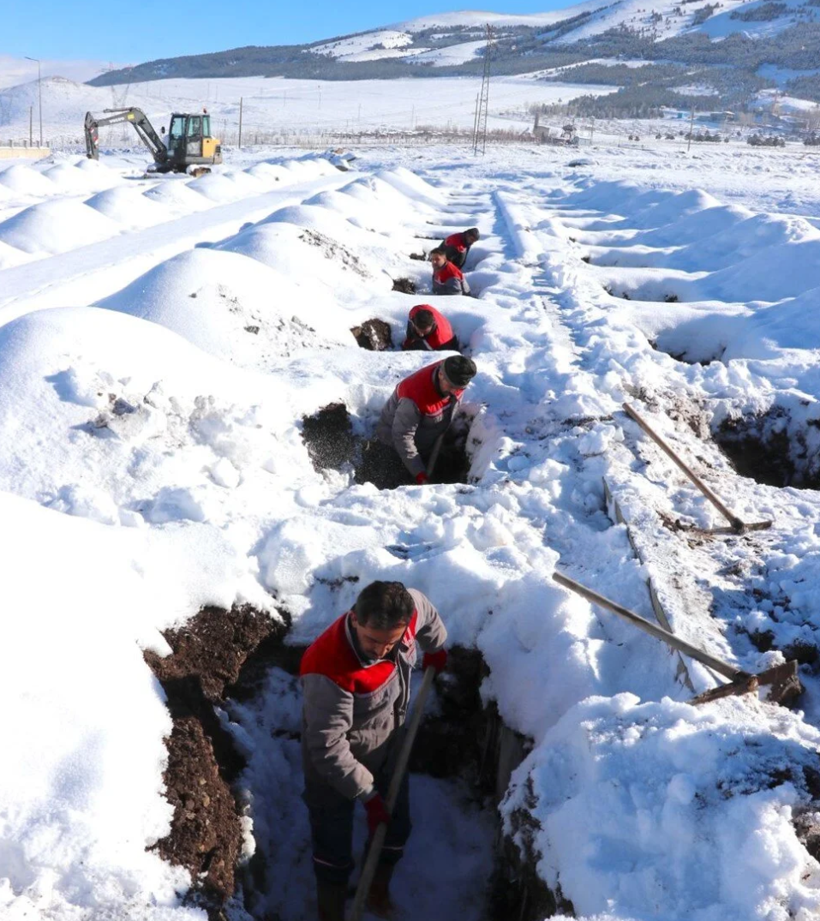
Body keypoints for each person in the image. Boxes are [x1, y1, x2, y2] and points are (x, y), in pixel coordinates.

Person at [300, 580, 448, 921]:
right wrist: (367, 794)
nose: (381, 650)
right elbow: (327, 747)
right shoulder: (328, 667)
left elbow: (424, 608)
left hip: (388, 744)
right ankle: (331, 913)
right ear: (354, 619)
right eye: (372, 640)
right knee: (332, 846)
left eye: (391, 643)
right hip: (333, 765)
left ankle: (376, 891)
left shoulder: (406, 612)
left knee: (396, 830)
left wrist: (436, 647)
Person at [375, 355, 477, 485]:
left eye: (460, 388)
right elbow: (402, 437)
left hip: (427, 441)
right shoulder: (414, 397)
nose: (454, 392)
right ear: (440, 374)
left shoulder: (454, 374)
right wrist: (419, 473)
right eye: (452, 386)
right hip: (394, 447)